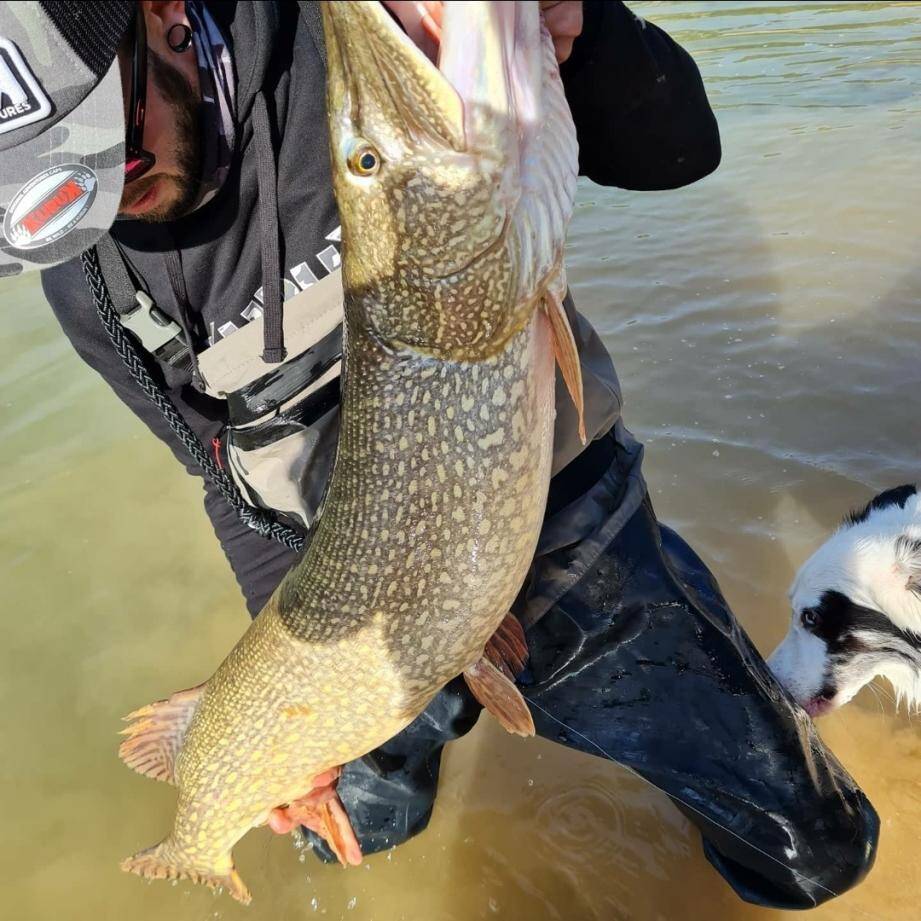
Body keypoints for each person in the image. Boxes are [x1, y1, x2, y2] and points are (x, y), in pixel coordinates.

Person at [0, 0, 878, 908]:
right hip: (344, 597)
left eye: (116, 148)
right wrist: (289, 709)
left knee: (816, 850)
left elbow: (681, 148)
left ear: (163, 14)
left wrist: (571, 34)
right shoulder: (90, 278)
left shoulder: (383, 59)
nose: (107, 199)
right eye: (64, 194)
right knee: (355, 839)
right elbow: (217, 467)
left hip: (560, 519)